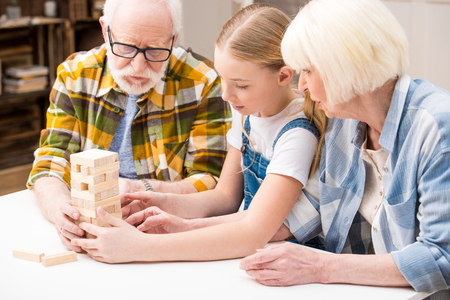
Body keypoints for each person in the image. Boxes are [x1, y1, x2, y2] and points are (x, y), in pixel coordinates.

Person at [71, 3, 327, 263]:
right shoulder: (248, 108)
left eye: (240, 85)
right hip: (242, 241)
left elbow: (253, 233)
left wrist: (139, 247)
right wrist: (163, 202)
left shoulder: (297, 135)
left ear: (283, 76)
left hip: (284, 255)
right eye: (223, 79)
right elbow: (226, 197)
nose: (226, 95)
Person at [238, 0, 450, 298]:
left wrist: (321, 267)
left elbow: (441, 259)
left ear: (345, 66)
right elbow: (287, 219)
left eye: (308, 71)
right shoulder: (345, 124)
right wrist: (186, 228)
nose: (303, 86)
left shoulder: (439, 127)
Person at [26, 0, 230, 253]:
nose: (138, 66)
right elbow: (51, 161)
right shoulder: (74, 75)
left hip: (164, 236)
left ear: (173, 39)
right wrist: (60, 208)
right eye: (125, 47)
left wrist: (143, 191)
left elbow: (211, 178)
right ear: (105, 30)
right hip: (90, 230)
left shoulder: (204, 81)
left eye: (155, 51)